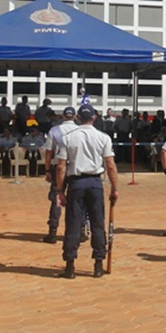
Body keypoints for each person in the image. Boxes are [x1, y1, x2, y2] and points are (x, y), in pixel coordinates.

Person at [54, 104, 119, 279]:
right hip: (95, 182)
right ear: (94, 118)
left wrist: (60, 190)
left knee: (73, 223)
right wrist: (114, 187)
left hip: (76, 182)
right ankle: (98, 264)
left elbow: (61, 167)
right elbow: (110, 165)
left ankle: (70, 265)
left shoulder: (67, 138)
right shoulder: (103, 137)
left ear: (77, 118)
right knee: (98, 223)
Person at [42, 107, 78, 244]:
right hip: (75, 167)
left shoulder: (55, 131)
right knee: (76, 200)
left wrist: (46, 170)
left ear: (63, 117)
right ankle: (78, 231)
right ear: (74, 117)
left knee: (56, 198)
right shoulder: (80, 131)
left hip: (58, 167)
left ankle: (53, 232)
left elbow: (48, 152)